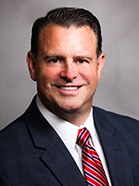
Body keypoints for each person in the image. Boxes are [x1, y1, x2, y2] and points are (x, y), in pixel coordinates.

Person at [0, 7, 139, 186]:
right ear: (33, 66)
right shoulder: (5, 158)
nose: (69, 74)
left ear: (98, 66)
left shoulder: (134, 135)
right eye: (55, 60)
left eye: (81, 60)